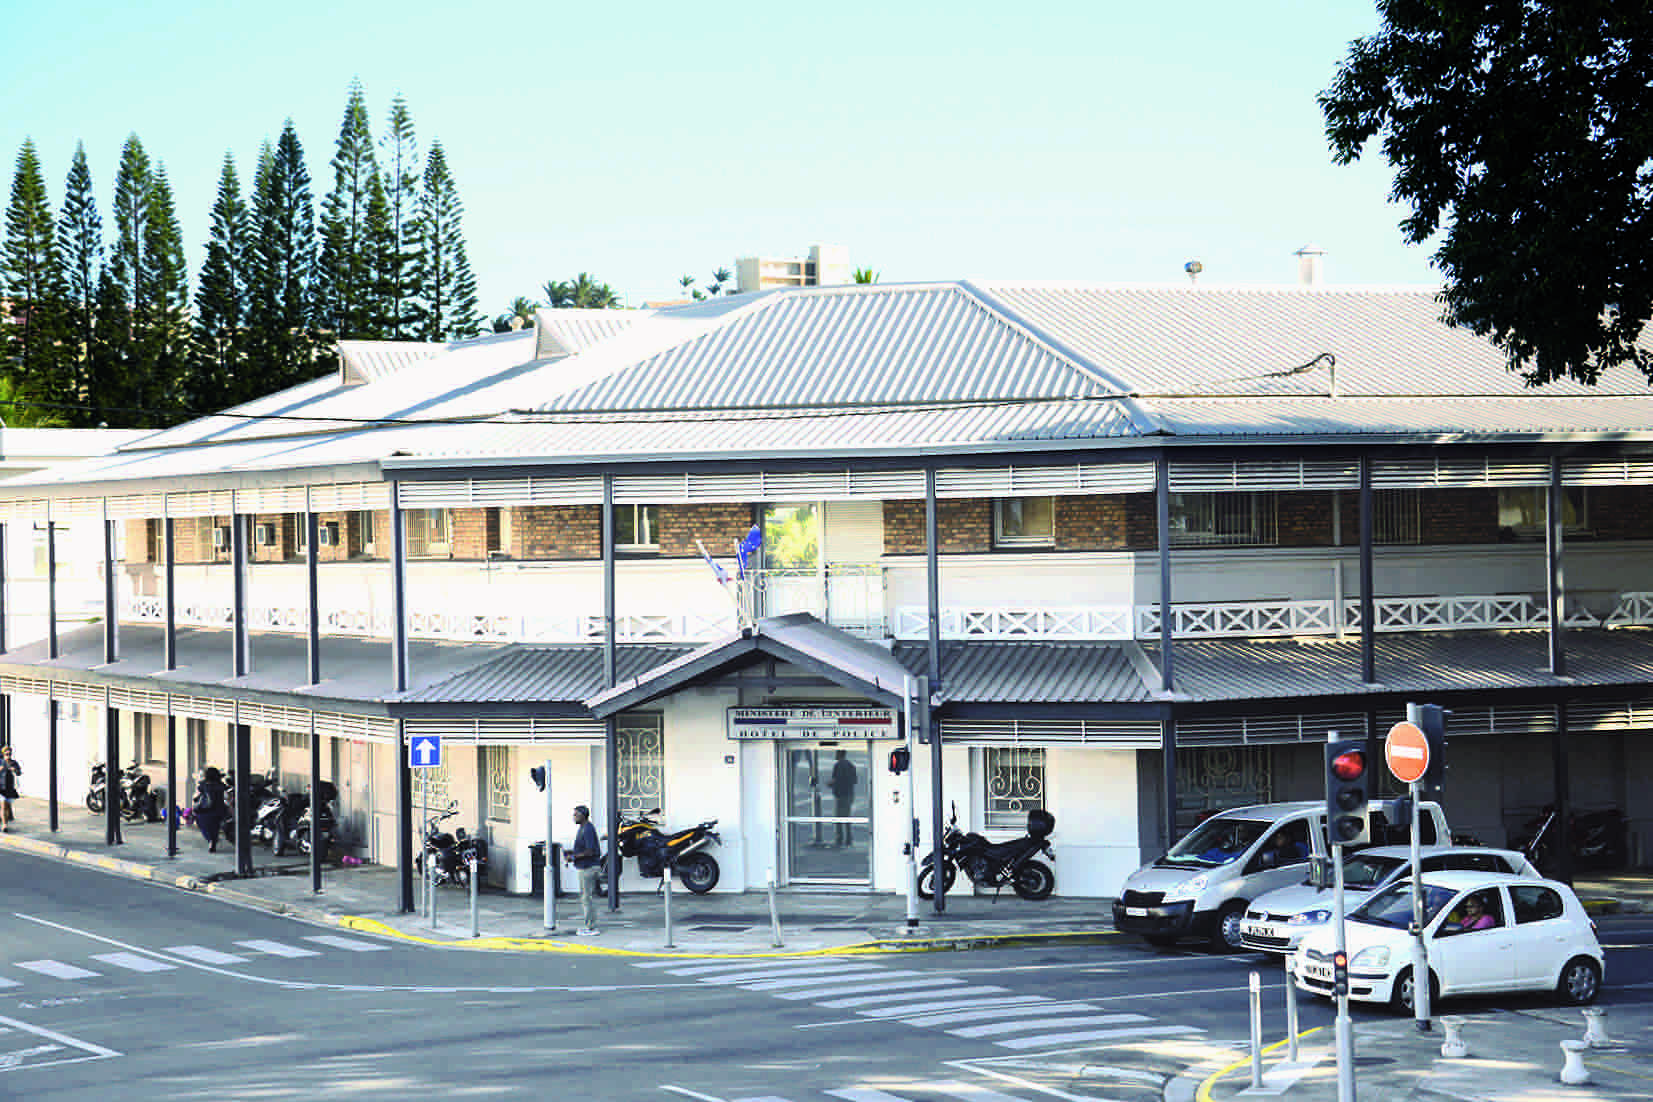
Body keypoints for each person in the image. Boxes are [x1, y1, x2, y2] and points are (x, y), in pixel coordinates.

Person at [564, 804, 601, 935]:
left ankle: (591, 927)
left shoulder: (588, 829)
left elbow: (590, 851)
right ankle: (589, 925)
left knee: (587, 898)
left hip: (588, 867)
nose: (573, 817)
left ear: (583, 815)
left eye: (576, 815)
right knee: (586, 897)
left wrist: (574, 857)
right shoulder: (583, 828)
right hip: (585, 867)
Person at [193, 767, 228, 853]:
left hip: (205, 810)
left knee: (204, 826)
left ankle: (211, 840)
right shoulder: (221, 785)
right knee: (215, 827)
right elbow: (226, 796)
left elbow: (196, 797)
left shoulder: (203, 785)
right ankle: (213, 840)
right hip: (219, 810)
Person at [830, 750, 857, 847]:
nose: (835, 755)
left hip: (840, 795)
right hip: (849, 794)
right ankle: (849, 839)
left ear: (839, 754)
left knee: (838, 817)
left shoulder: (837, 765)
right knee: (847, 817)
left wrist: (831, 784)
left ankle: (839, 838)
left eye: (836, 753)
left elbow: (835, 780)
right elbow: (855, 780)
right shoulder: (851, 765)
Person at [0, 746, 21, 831]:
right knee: (3, 806)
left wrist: (15, 770)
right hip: (1, 788)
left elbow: (19, 773)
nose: (8, 756)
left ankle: (5, 820)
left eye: (9, 754)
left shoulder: (14, 763)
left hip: (10, 788)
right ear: (3, 754)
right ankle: (4, 825)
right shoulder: (1, 762)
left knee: (8, 807)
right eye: (6, 754)